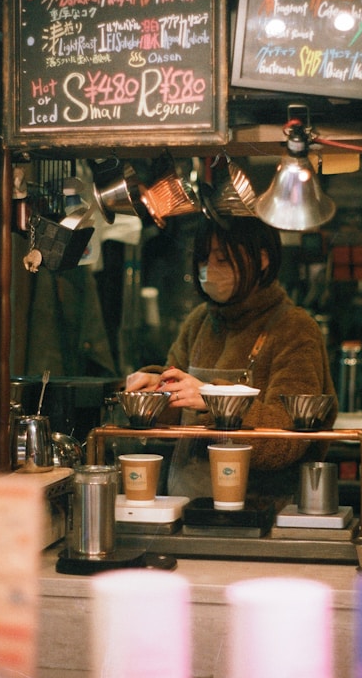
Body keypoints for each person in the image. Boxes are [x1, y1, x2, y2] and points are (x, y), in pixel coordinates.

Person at [126, 215, 337, 508]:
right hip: (186, 506)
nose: (209, 268)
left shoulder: (294, 328)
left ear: (262, 259)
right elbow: (175, 418)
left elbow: (286, 444)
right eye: (203, 258)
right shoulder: (199, 322)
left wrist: (213, 399)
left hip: (262, 513)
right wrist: (157, 391)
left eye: (223, 259)